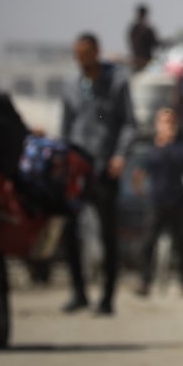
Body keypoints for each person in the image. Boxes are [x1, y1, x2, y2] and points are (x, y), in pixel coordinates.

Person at [60, 32, 136, 315]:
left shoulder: (116, 83)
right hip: (76, 167)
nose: (81, 59)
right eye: (77, 54)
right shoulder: (69, 86)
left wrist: (120, 156)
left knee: (108, 234)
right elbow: (66, 126)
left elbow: (129, 123)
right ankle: (78, 291)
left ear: (96, 52)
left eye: (86, 53)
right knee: (69, 230)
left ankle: (107, 297)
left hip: (105, 168)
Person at [132, 107, 183, 298]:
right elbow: (139, 173)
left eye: (171, 121)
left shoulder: (181, 148)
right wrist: (140, 189)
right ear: (157, 124)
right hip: (157, 202)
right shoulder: (152, 150)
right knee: (148, 244)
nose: (168, 125)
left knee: (182, 246)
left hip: (178, 202)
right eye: (164, 121)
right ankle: (145, 281)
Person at [127, 3, 159, 72]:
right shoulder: (146, 29)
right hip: (145, 62)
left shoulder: (133, 29)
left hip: (136, 62)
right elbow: (155, 43)